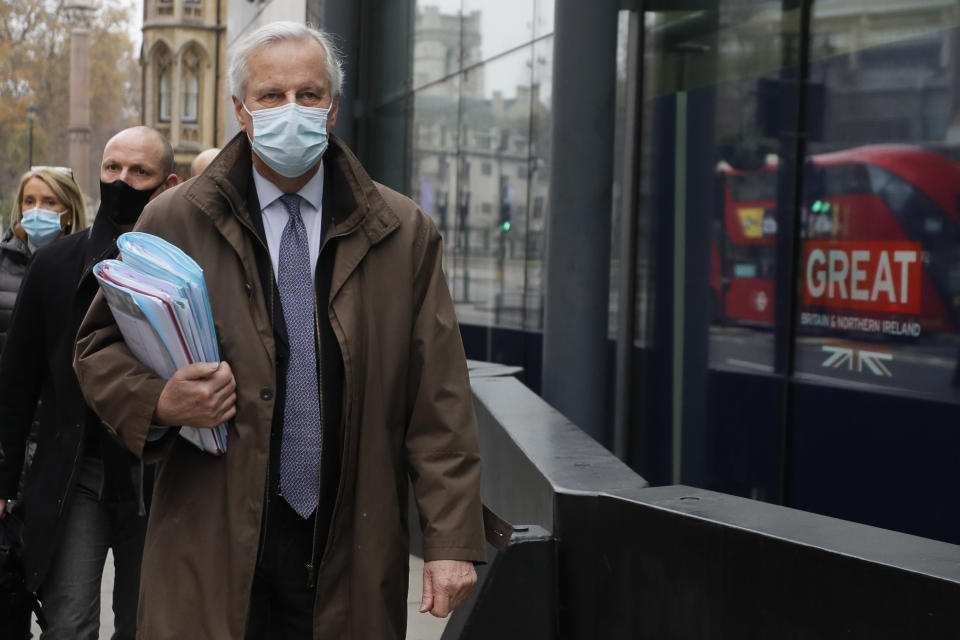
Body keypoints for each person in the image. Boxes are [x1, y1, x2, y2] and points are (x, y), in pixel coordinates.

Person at [74, 22, 485, 639]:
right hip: (213, 540)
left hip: (349, 544)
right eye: (271, 96)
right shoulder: (173, 218)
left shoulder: (403, 233)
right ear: (240, 109)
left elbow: (440, 399)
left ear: (333, 108)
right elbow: (98, 348)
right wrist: (160, 399)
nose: (291, 110)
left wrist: (451, 538)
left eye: (309, 94)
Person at [0, 126, 178, 640]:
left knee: (147, 622)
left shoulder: (189, 269)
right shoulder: (56, 264)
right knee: (69, 620)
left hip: (159, 474)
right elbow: (16, 382)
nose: (122, 181)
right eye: (112, 169)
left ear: (166, 184)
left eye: (139, 172)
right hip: (75, 474)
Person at [0, 167, 87, 353]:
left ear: (69, 214)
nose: (37, 210)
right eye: (29, 201)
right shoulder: (3, 261)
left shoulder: (86, 268)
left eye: (49, 202)